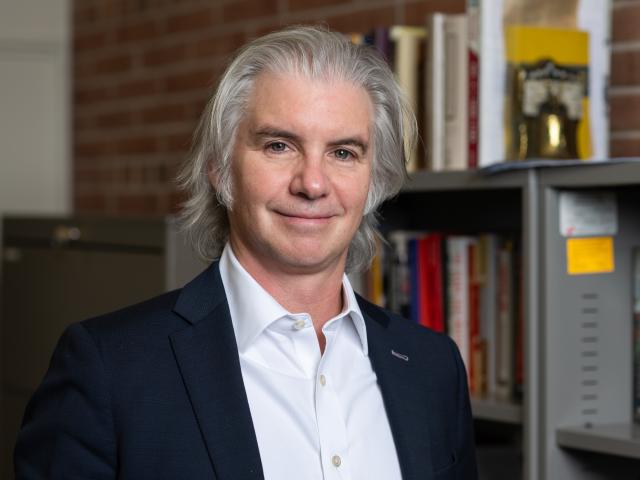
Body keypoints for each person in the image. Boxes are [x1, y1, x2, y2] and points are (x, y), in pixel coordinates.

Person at [14, 25, 477, 479]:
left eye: (343, 153)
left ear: (374, 179)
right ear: (219, 169)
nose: (312, 183)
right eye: (279, 145)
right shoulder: (109, 368)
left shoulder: (433, 367)